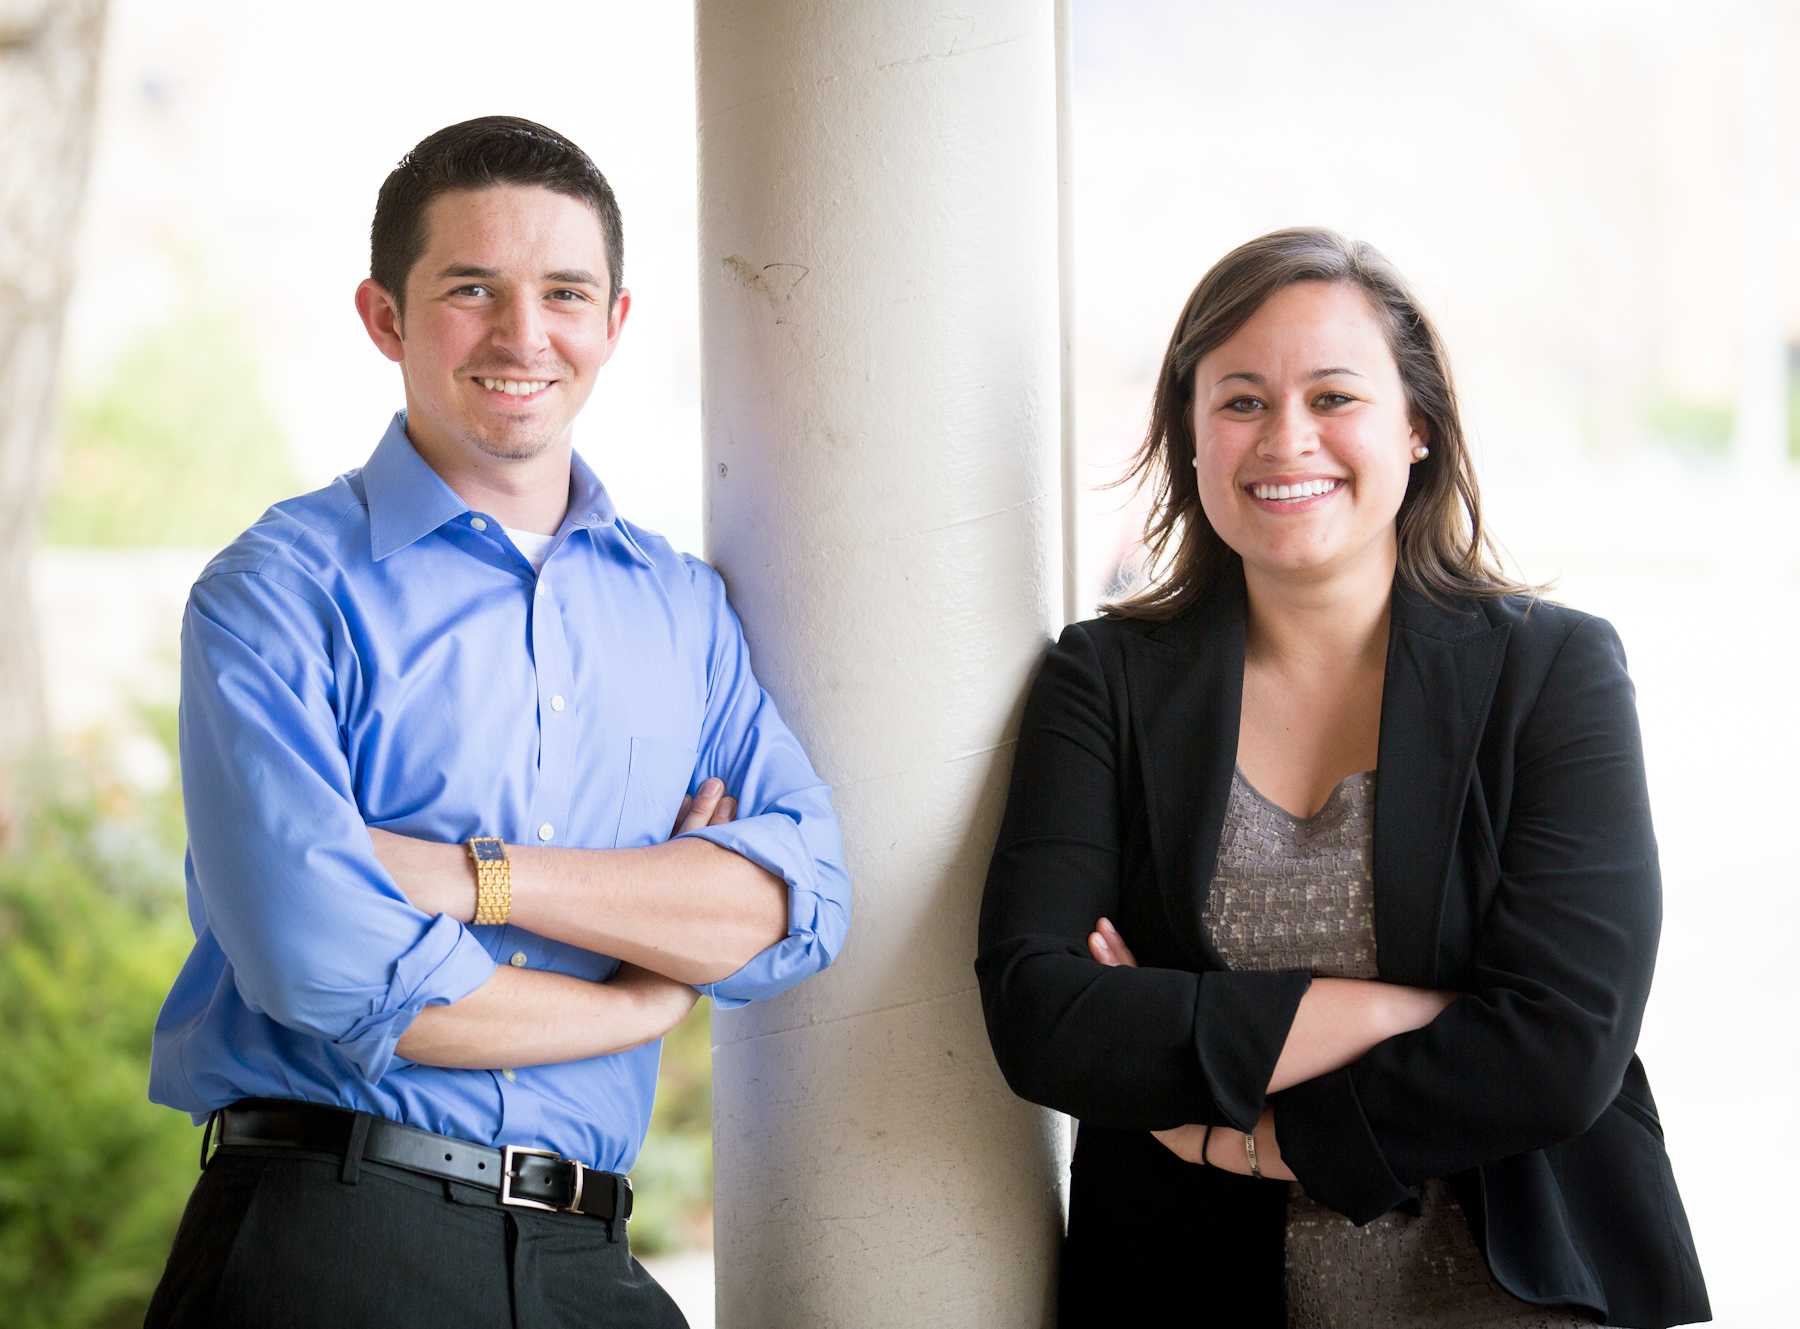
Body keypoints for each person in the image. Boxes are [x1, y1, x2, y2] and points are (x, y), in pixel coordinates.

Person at [143, 116, 851, 1328]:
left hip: (589, 1258)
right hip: (331, 1237)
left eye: (565, 292)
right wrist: (637, 998)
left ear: (614, 324)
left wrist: (477, 881)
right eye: (473, 290)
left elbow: (794, 909)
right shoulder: (279, 593)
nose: (526, 336)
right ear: (386, 318)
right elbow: (329, 962)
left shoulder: (683, 612)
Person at [976, 228, 1709, 1327]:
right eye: (1240, 401)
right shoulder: (1104, 681)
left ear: (1417, 427)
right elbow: (1044, 1014)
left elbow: (1561, 1049)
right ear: (1189, 435)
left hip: (1518, 1290)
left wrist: (1249, 1134)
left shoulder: (1552, 671)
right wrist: (1407, 1011)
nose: (1287, 440)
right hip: (1189, 1286)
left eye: (1333, 396)